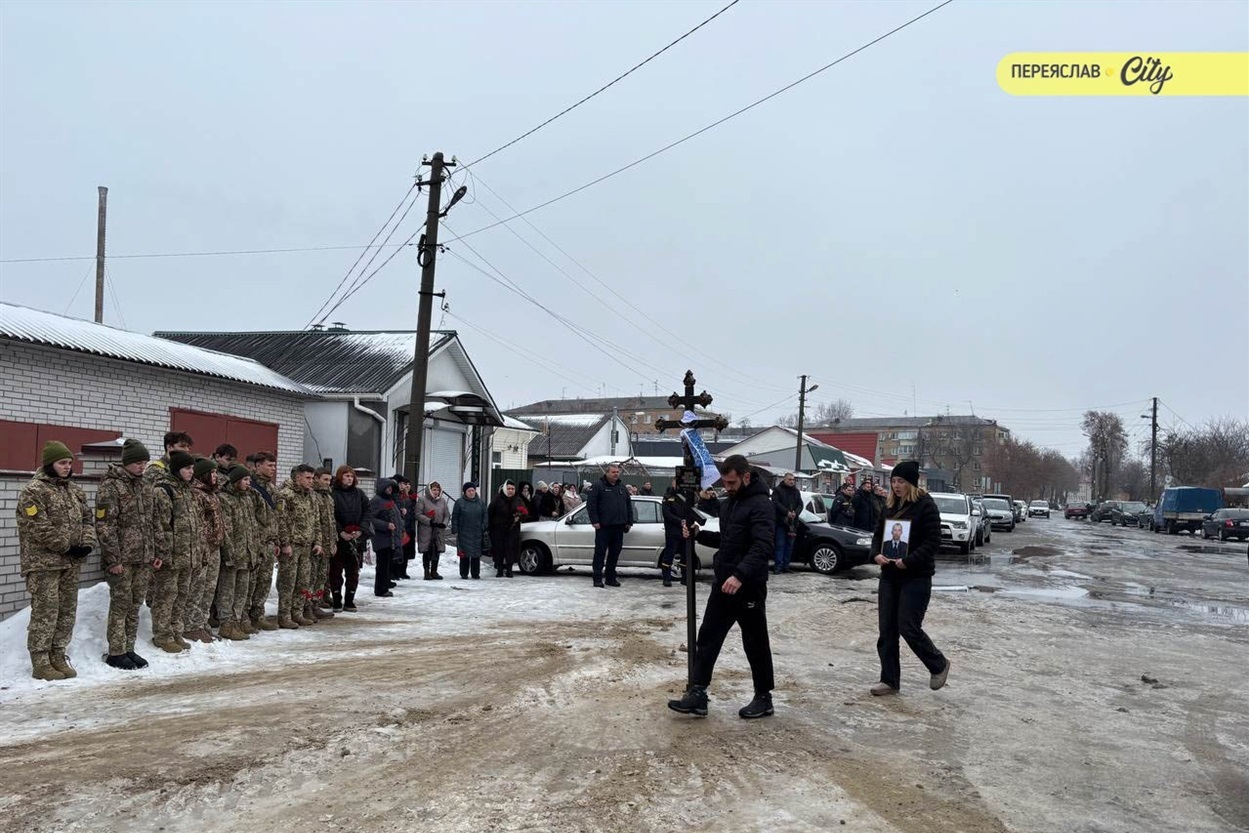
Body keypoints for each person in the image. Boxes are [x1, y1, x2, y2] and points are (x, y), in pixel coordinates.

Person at [668, 455, 775, 719]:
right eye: (724, 482)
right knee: (707, 639)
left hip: (747, 586)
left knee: (755, 642)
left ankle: (764, 698)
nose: (726, 487)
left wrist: (740, 575)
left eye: (731, 482)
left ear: (746, 477)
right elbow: (728, 541)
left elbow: (763, 546)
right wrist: (698, 534)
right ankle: (698, 694)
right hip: (723, 584)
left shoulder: (762, 505)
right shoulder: (729, 505)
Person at [870, 461, 950, 696]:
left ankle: (938, 664)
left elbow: (933, 541)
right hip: (889, 576)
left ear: (911, 483)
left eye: (901, 481)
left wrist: (909, 560)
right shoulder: (889, 506)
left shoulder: (926, 506)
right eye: (894, 481)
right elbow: (877, 536)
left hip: (916, 577)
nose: (896, 486)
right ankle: (889, 680)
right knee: (886, 630)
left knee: (908, 626)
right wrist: (876, 554)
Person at [17, 441, 95, 681]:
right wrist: (67, 547)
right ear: (50, 463)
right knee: (46, 612)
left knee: (67, 611)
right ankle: (41, 661)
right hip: (44, 564)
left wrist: (87, 543)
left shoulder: (75, 491)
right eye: (62, 463)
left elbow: (87, 519)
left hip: (70, 564)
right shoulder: (34, 491)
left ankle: (58, 654)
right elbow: (38, 526)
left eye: (70, 463)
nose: (67, 467)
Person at [96, 438, 155, 670]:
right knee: (121, 604)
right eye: (139, 462)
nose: (142, 467)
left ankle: (129, 648)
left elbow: (149, 522)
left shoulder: (144, 485)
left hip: (142, 558)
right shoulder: (111, 486)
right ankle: (116, 651)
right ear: (127, 462)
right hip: (122, 559)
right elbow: (105, 525)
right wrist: (113, 559)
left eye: (145, 463)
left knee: (134, 605)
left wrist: (152, 552)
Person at [150, 450, 199, 653]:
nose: (191, 472)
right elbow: (159, 526)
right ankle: (162, 635)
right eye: (187, 468)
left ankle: (176, 631)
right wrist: (162, 553)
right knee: (166, 596)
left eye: (192, 468)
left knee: (181, 595)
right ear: (177, 469)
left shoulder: (187, 490)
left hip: (187, 555)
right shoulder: (163, 491)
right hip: (171, 555)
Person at [276, 464, 325, 628]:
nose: (311, 481)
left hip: (307, 545)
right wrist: (284, 543)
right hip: (292, 546)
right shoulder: (285, 495)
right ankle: (284, 615)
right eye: (308, 478)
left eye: (312, 478)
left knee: (303, 582)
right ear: (298, 478)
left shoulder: (311, 496)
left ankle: (297, 612)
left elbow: (316, 521)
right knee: (287, 582)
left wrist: (318, 541)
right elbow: (280, 521)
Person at [215, 464, 257, 640]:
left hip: (247, 553)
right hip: (234, 554)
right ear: (237, 480)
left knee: (242, 591)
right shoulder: (225, 499)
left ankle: (237, 620)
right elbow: (227, 530)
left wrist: (254, 549)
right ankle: (226, 623)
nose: (248, 483)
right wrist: (229, 553)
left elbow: (252, 525)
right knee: (227, 590)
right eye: (245, 480)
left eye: (249, 479)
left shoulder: (247, 498)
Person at [185, 458, 224, 643]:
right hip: (202, 548)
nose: (215, 476)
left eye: (216, 472)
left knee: (209, 589)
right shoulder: (196, 494)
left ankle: (203, 623)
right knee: (197, 589)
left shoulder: (212, 494)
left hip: (214, 548)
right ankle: (191, 626)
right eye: (212, 473)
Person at [246, 451, 281, 631]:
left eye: (274, 466)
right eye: (269, 465)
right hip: (254, 542)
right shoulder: (249, 487)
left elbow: (277, 517)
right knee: (250, 582)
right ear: (258, 466)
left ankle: (258, 614)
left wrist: (276, 541)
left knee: (264, 581)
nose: (273, 469)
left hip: (268, 543)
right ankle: (244, 616)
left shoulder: (273, 489)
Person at [330, 465, 370, 611]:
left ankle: (349, 600)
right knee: (335, 571)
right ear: (340, 477)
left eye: (351, 476)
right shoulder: (332, 494)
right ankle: (336, 599)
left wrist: (360, 530)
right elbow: (330, 516)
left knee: (353, 572)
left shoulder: (360, 494)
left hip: (356, 539)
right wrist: (341, 532)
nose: (349, 479)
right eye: (346, 476)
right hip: (339, 539)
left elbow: (367, 512)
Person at [586, 463, 632, 588]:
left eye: (618, 472)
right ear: (607, 473)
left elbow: (628, 505)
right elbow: (591, 505)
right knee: (600, 554)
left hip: (618, 527)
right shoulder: (598, 486)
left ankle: (610, 578)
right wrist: (594, 521)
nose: (616, 474)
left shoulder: (622, 487)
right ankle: (597, 579)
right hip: (603, 527)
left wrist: (629, 522)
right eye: (613, 472)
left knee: (614, 554)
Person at [366, 479, 403, 597]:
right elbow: (370, 518)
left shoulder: (390, 500)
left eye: (391, 488)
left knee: (387, 564)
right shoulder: (377, 500)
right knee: (382, 565)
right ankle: (380, 589)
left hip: (391, 538)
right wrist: (386, 525)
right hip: (382, 538)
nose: (390, 490)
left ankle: (385, 584)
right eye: (388, 488)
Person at [310, 468, 336, 618]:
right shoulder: (314, 496)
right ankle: (309, 605)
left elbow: (331, 522)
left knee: (322, 576)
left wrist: (333, 541)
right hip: (316, 543)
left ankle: (317, 602)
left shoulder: (328, 497)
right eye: (324, 480)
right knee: (312, 577)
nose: (328, 483)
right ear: (317, 479)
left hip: (327, 542)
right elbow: (315, 521)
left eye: (329, 480)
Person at [452, 482, 489, 579]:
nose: (471, 492)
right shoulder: (459, 502)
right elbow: (455, 516)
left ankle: (475, 573)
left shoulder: (480, 502)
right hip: (463, 532)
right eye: (469, 491)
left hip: (477, 532)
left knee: (476, 554)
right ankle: (464, 573)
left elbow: (485, 515)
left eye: (473, 490)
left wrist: (483, 526)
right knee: (464, 554)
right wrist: (455, 528)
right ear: (465, 492)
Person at [487, 481, 524, 577]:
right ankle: (499, 569)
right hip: (498, 529)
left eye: (512, 489)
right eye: (508, 488)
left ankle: (509, 569)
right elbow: (490, 512)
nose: (510, 491)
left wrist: (519, 517)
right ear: (504, 489)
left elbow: (524, 513)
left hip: (512, 530)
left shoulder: (518, 500)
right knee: (499, 549)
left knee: (511, 549)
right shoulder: (498, 499)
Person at [415, 481, 450, 580]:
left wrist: (444, 523)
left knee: (437, 549)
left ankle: (434, 571)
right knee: (427, 550)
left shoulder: (442, 501)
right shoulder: (422, 500)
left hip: (438, 529)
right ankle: (426, 571)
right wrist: (429, 521)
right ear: (429, 490)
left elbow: (447, 514)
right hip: (426, 530)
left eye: (437, 490)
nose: (436, 492)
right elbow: (418, 514)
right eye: (434, 490)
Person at [770, 472, 802, 574]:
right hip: (781, 522)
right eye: (790, 479)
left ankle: (786, 566)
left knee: (789, 547)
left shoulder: (796, 491)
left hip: (792, 524)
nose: (792, 481)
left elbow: (800, 504)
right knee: (780, 545)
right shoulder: (778, 490)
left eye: (793, 480)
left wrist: (795, 513)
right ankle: (778, 566)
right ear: (784, 480)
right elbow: (775, 503)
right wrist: (786, 512)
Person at [660, 478, 687, 588]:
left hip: (684, 531)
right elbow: (667, 514)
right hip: (672, 532)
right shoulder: (667, 497)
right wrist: (680, 521)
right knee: (669, 555)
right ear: (673, 483)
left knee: (685, 556)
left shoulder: (685, 496)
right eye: (676, 482)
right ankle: (666, 579)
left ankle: (685, 578)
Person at [392, 475, 416, 580]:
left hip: (408, 526)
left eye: (405, 484)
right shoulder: (396, 495)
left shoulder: (407, 496)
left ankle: (402, 571)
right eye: (402, 484)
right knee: (398, 551)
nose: (404, 486)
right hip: (400, 527)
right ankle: (395, 572)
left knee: (405, 552)